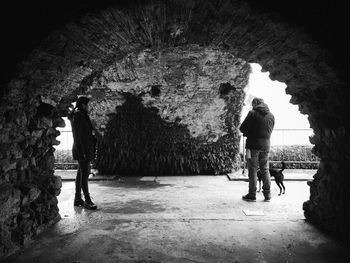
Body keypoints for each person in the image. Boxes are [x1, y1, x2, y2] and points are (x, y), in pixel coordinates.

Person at [239, 97, 275, 202]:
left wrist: (248, 132)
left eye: (252, 104)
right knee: (265, 170)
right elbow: (269, 130)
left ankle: (252, 195)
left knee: (253, 170)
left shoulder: (252, 113)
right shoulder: (271, 115)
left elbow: (242, 128)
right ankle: (267, 195)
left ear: (255, 104)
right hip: (266, 146)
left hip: (252, 146)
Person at [69, 96, 98, 210]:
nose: (89, 107)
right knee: (84, 174)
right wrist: (83, 151)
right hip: (82, 149)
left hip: (83, 148)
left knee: (81, 173)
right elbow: (79, 135)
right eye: (88, 105)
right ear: (83, 105)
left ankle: (77, 199)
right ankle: (87, 200)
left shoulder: (80, 115)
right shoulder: (79, 115)